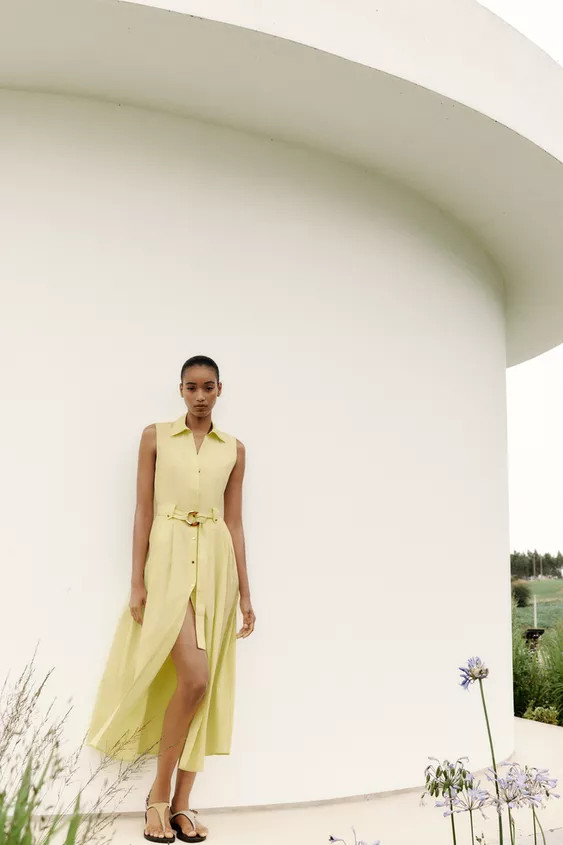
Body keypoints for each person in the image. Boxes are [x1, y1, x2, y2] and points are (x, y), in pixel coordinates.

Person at [85, 355, 256, 842]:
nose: (200, 396)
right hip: (168, 563)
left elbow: (234, 522)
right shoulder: (155, 437)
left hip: (217, 569)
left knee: (204, 685)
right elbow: (143, 509)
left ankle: (181, 803)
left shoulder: (234, 449)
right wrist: (136, 581)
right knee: (194, 676)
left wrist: (246, 593)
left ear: (220, 390)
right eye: (191, 387)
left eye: (208, 387)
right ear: (180, 390)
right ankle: (157, 797)